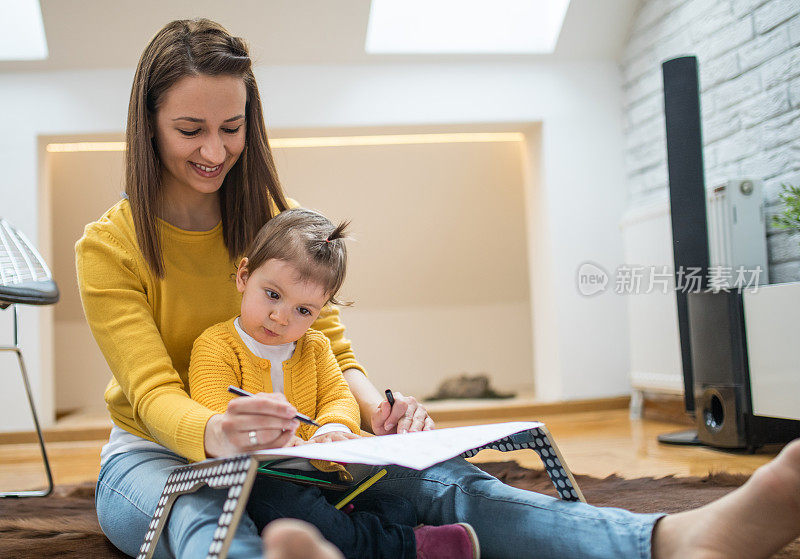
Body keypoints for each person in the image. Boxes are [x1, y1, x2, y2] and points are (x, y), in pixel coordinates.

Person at [76, 17, 800, 559]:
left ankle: (670, 540)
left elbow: (326, 339)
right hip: (154, 452)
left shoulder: (267, 218)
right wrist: (213, 431)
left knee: (447, 482)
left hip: (292, 443)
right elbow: (148, 388)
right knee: (203, 516)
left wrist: (374, 406)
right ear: (148, 124)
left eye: (231, 127)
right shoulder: (109, 246)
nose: (214, 150)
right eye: (190, 129)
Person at [187, 208, 480, 559]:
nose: (280, 317)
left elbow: (337, 396)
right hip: (255, 478)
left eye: (304, 311)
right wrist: (267, 435)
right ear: (244, 276)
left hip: (322, 474)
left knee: (394, 501)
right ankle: (408, 546)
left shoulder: (316, 346)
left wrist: (333, 426)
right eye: (273, 295)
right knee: (281, 504)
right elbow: (214, 406)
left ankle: (355, 532)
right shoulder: (214, 345)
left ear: (320, 311)